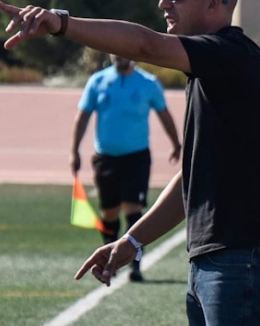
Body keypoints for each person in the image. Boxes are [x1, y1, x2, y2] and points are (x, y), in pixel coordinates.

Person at [0, 0, 260, 326]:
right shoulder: (212, 72)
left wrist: (61, 23)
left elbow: (145, 45)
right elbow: (192, 182)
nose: (163, 3)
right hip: (219, 258)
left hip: (244, 256)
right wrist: (129, 243)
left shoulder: (232, 53)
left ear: (215, 2)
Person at [70, 53, 181, 282]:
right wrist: (74, 151)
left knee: (132, 209)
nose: (118, 57)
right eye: (114, 53)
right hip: (106, 158)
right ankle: (110, 259)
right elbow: (82, 117)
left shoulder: (148, 83)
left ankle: (136, 265)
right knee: (109, 212)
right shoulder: (98, 81)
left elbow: (164, 114)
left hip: (136, 158)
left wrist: (176, 143)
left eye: (123, 53)